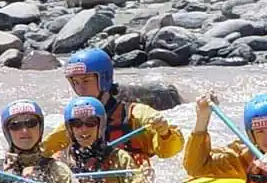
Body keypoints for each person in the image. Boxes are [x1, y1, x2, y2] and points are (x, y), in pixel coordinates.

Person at [42, 48, 185, 170]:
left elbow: (169, 151)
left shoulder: (136, 114)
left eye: (86, 81)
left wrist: (164, 132)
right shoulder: (74, 122)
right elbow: (44, 151)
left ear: (104, 79)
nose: (81, 89)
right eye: (76, 82)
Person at [56, 96, 154, 183]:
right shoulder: (60, 162)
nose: (84, 129)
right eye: (77, 124)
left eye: (91, 123)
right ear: (70, 129)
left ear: (100, 126)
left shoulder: (119, 158)